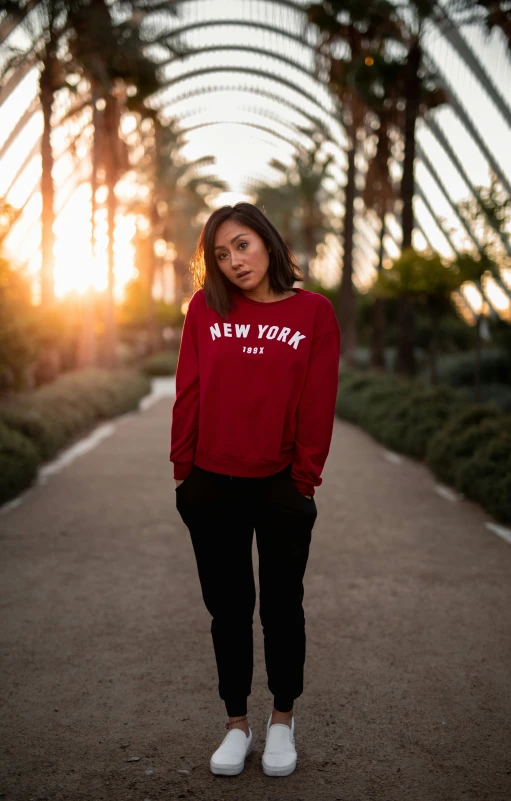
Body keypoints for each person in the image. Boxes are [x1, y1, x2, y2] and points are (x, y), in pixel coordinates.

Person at [169, 202, 341, 777]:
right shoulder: (205, 309)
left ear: (267, 242)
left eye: (241, 245)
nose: (234, 260)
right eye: (221, 253)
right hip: (212, 482)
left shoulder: (313, 313)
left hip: (279, 486)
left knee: (283, 609)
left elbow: (319, 401)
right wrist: (183, 472)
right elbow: (188, 391)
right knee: (228, 610)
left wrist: (303, 480)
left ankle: (283, 723)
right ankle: (236, 726)